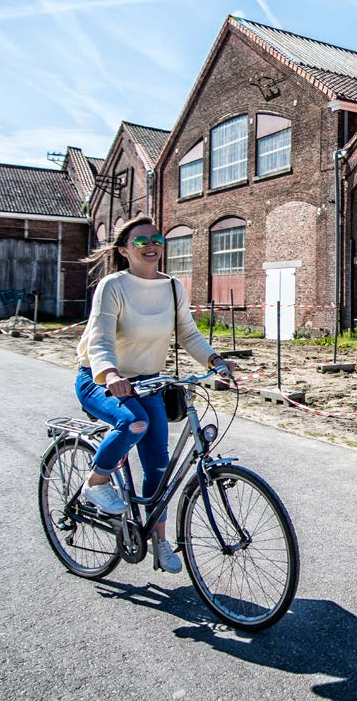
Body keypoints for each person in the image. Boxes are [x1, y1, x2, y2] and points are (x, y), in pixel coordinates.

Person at [75, 214, 232, 573]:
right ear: (124, 251)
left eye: (156, 240)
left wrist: (215, 359)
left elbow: (188, 333)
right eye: (141, 241)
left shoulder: (173, 287)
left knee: (158, 465)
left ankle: (160, 541)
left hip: (147, 381)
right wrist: (110, 372)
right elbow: (99, 337)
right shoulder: (113, 286)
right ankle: (95, 482)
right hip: (99, 379)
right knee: (134, 422)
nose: (150, 246)